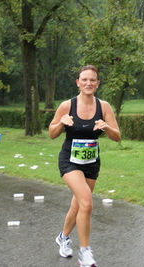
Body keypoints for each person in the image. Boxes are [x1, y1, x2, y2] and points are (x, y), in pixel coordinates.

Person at [49, 65, 121, 267]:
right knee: (87, 203)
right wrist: (61, 123)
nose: (88, 83)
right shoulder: (67, 105)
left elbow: (117, 137)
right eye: (84, 79)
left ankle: (63, 238)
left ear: (97, 84)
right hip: (69, 161)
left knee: (78, 204)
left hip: (91, 163)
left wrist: (106, 127)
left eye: (92, 80)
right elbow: (52, 133)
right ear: (78, 82)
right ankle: (85, 252)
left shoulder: (104, 106)